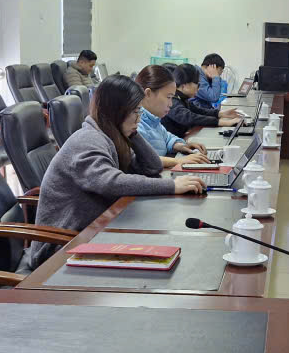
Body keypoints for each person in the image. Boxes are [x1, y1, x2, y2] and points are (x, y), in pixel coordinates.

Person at [31, 76, 207, 266]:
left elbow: (152, 166)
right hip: (61, 246)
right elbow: (110, 182)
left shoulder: (110, 135)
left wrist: (133, 132)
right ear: (117, 111)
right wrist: (171, 186)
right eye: (135, 112)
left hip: (93, 229)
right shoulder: (88, 140)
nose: (139, 118)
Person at [134, 65, 211, 168]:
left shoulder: (153, 119)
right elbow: (143, 159)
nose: (170, 104)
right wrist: (178, 161)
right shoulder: (135, 124)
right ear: (148, 93)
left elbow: (167, 138)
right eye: (168, 97)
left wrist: (182, 146)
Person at [162, 63, 242, 138]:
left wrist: (221, 114)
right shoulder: (172, 100)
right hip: (171, 145)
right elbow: (189, 117)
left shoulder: (182, 98)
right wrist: (221, 122)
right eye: (198, 84)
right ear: (184, 86)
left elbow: (199, 111)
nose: (199, 88)